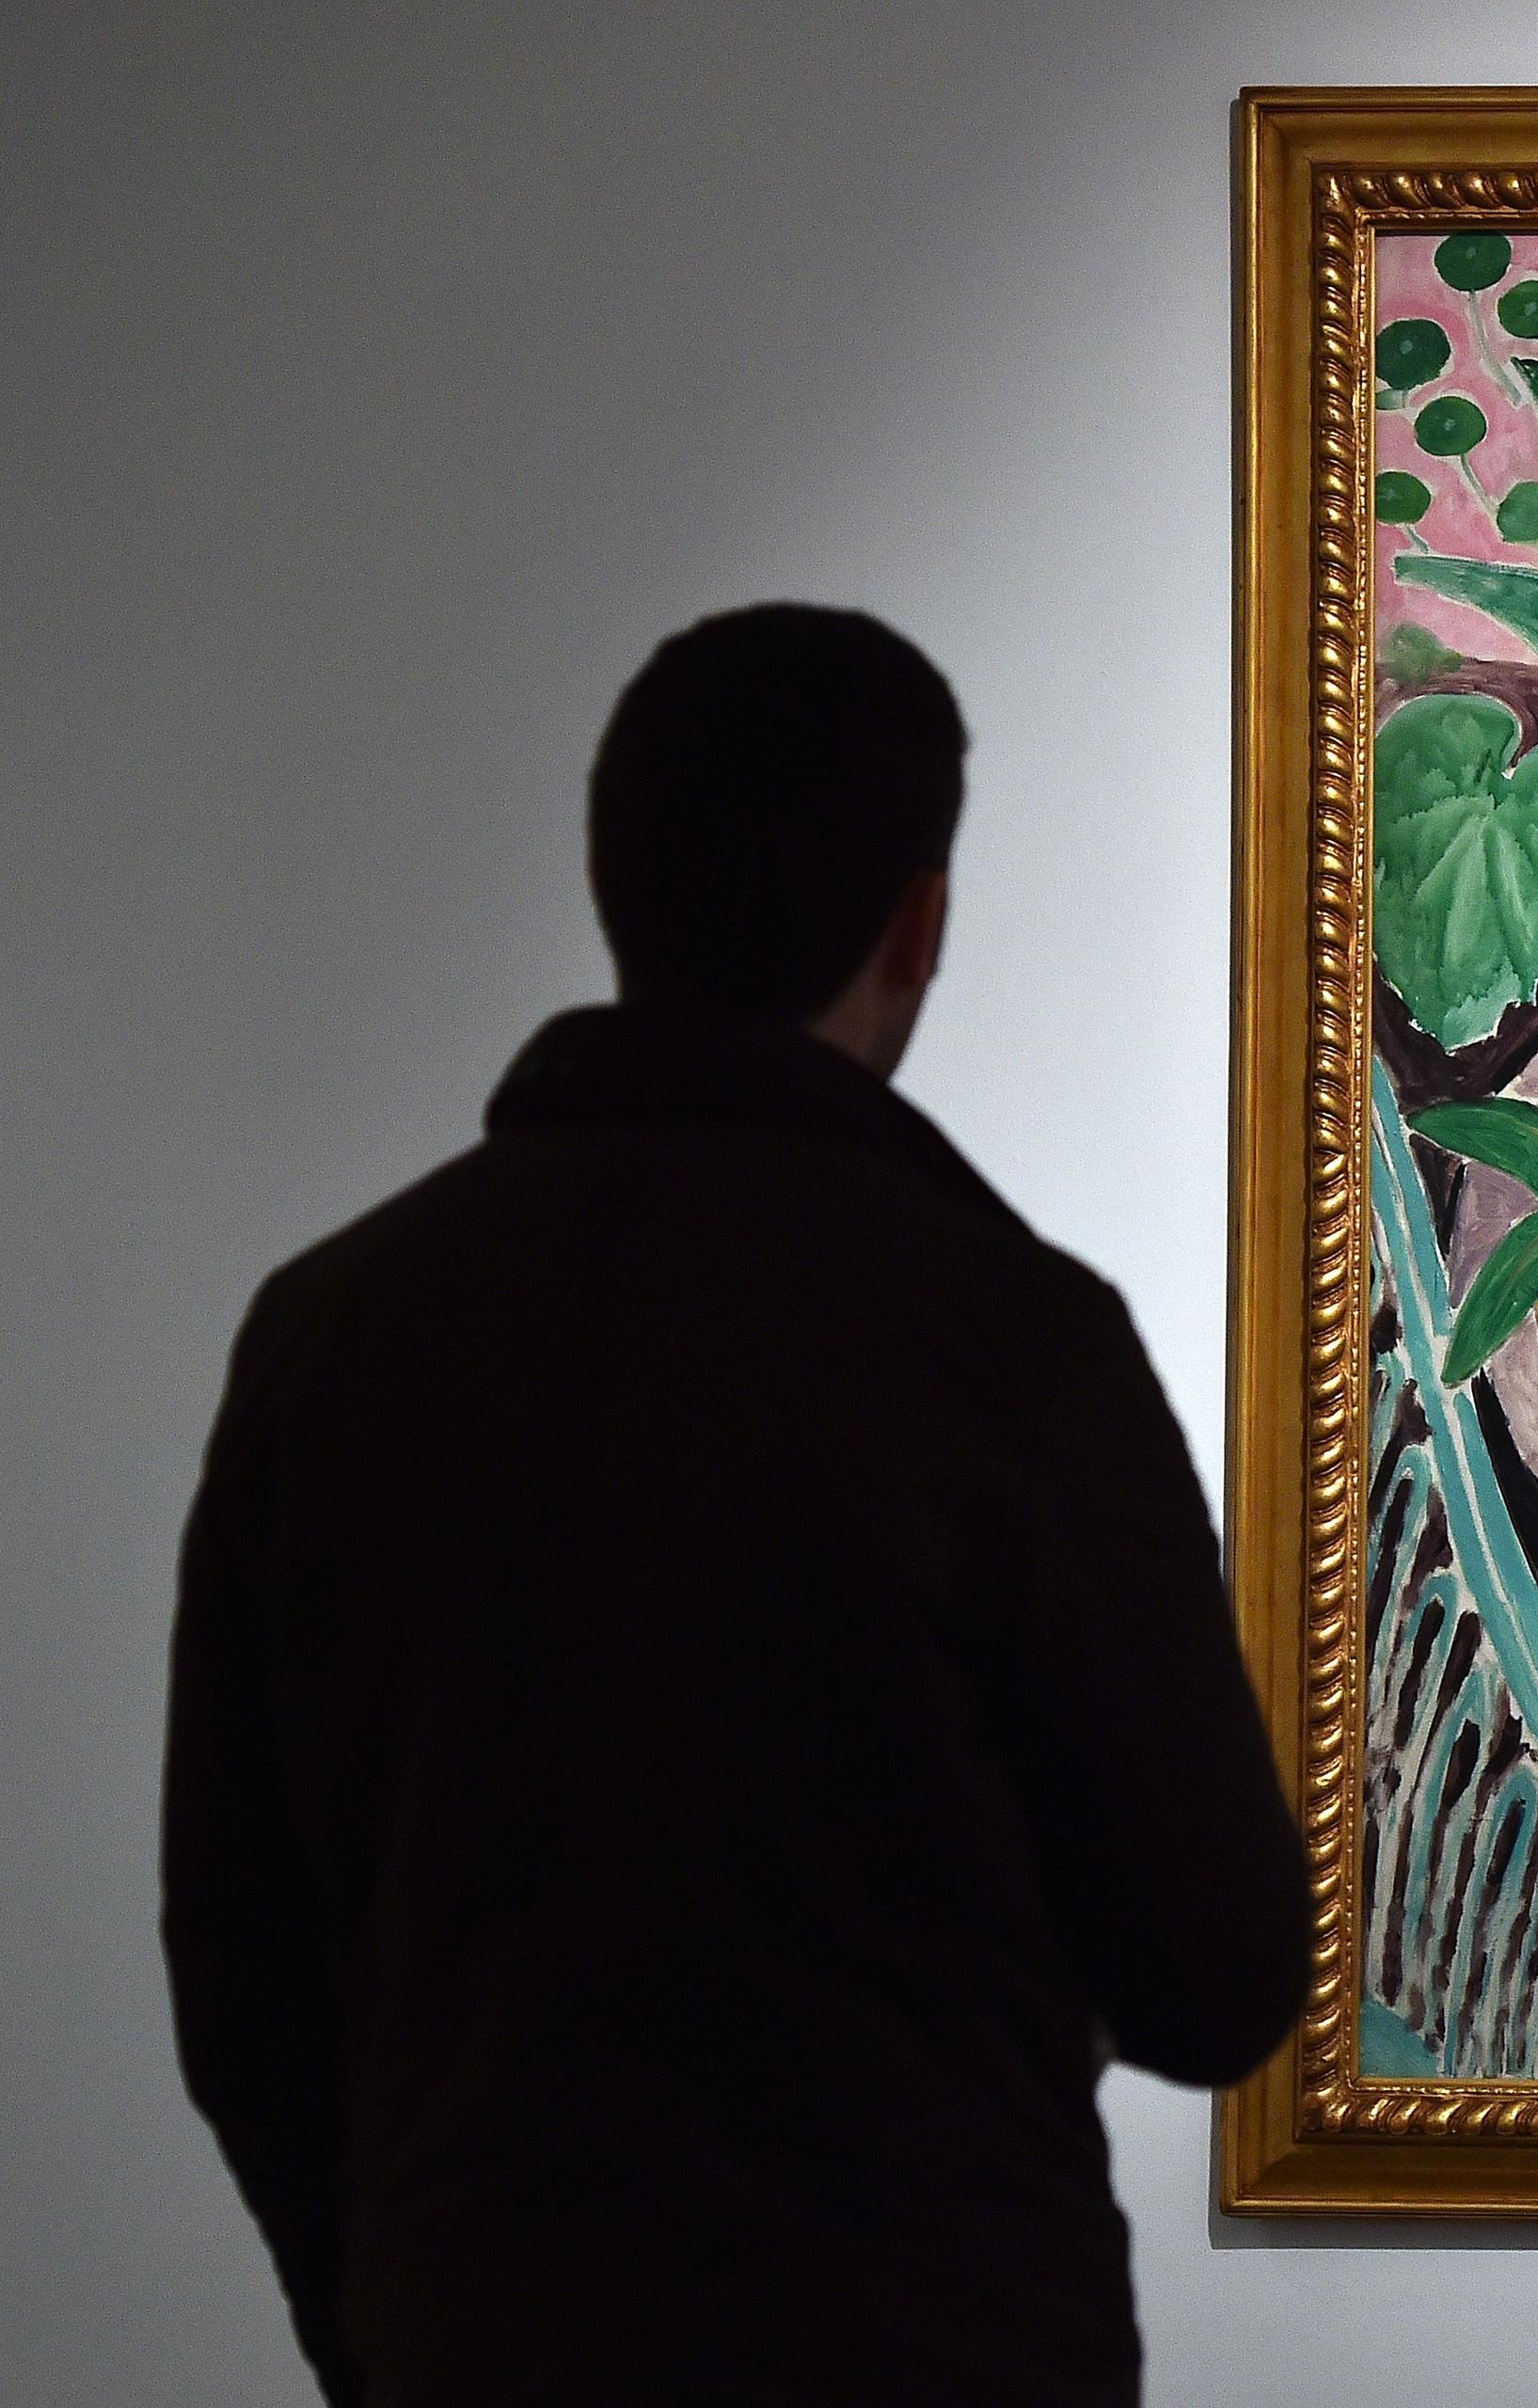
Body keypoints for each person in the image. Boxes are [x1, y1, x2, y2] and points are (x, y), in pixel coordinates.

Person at [162, 604, 1309, 2407]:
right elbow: (1218, 1974)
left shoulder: (330, 1337)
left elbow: (241, 1973)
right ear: (918, 925)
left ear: (612, 888)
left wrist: (390, 2319)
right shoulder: (1009, 1343)